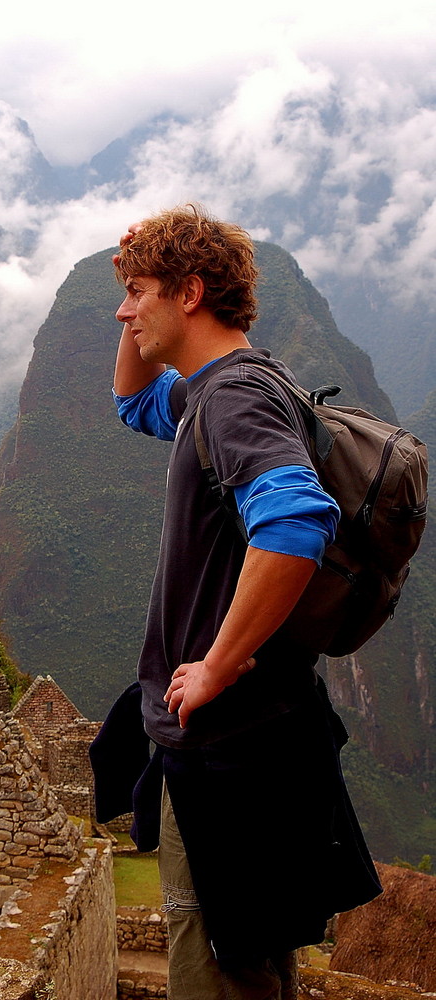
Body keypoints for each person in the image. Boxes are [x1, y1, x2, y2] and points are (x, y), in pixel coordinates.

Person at [91, 205, 381, 1000]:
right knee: (248, 958)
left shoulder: (231, 399)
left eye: (137, 294)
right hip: (258, 741)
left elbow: (294, 523)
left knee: (217, 965)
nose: (124, 311)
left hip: (231, 751)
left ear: (189, 293)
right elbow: (129, 402)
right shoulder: (209, 392)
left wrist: (217, 665)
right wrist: (128, 285)